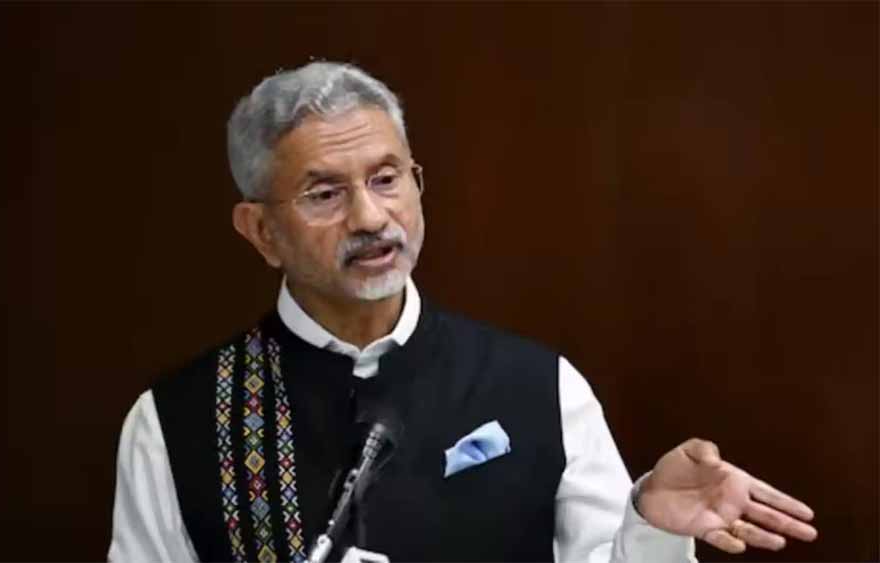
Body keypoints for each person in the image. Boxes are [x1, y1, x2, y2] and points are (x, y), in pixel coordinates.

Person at [108, 61, 817, 562]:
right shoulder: (175, 421)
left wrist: (653, 527)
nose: (370, 216)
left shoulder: (540, 387)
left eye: (387, 178)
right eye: (324, 194)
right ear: (261, 230)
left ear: (418, 184)